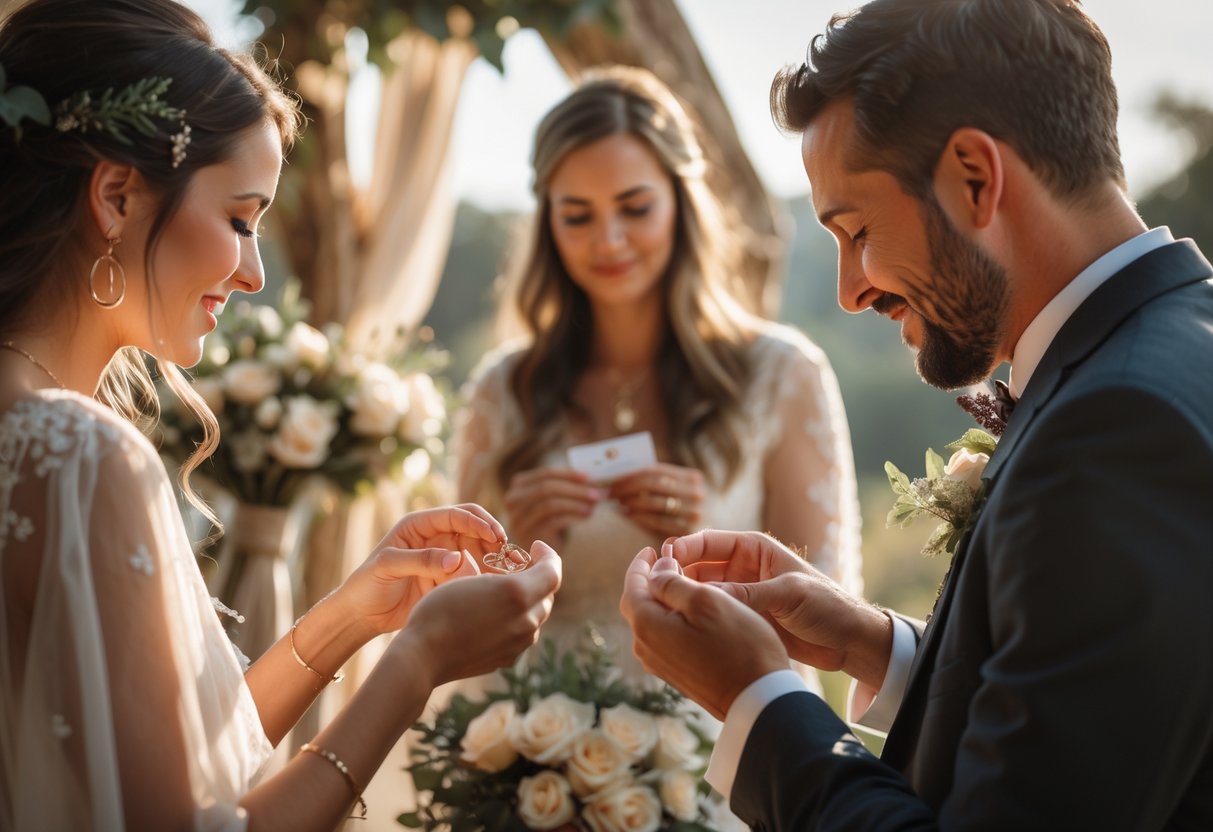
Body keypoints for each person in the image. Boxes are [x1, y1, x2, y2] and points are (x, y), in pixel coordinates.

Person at [620, 0, 1213, 828]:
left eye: (856, 230)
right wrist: (878, 648)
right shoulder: (1174, 350)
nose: (848, 289)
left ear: (975, 175)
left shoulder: (1114, 430)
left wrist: (758, 699)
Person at [0, 2, 561, 830]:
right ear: (116, 196)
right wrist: (414, 664)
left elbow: (170, 760)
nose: (256, 273)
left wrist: (351, 618)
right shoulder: (78, 453)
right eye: (239, 219)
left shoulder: (37, 431)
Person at [452, 66, 862, 681]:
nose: (609, 240)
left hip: (719, 745)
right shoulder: (502, 390)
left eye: (634, 207)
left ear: (680, 201)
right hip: (525, 746)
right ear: (546, 222)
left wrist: (707, 554)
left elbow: (830, 627)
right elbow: (454, 624)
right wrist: (519, 557)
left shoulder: (781, 374)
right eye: (577, 215)